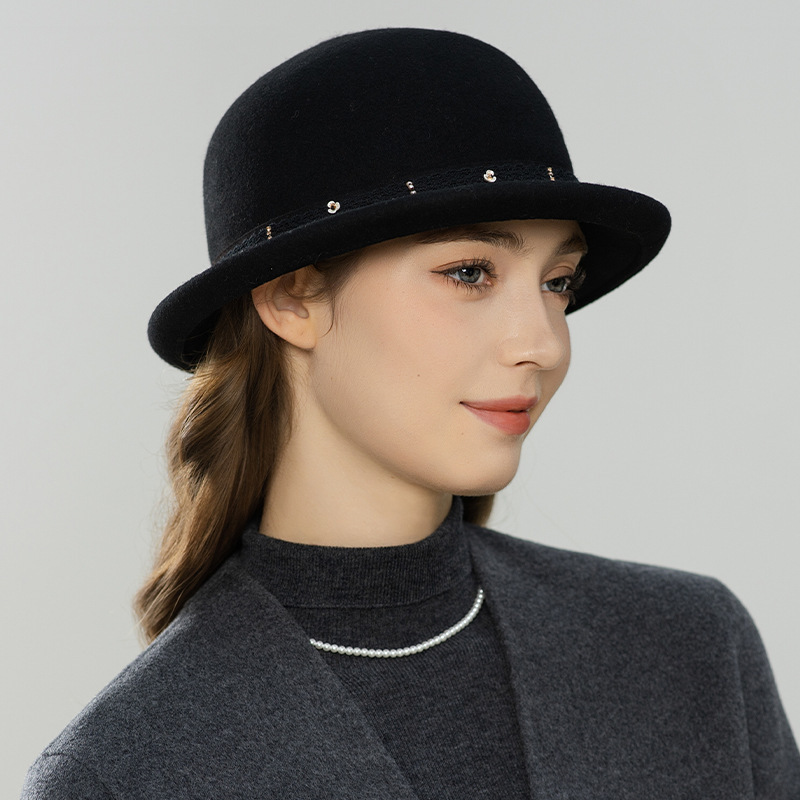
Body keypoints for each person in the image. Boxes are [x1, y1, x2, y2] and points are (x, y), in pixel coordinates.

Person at [22, 27, 800, 800]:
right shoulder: (123, 774)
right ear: (291, 297)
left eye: (558, 281)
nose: (543, 343)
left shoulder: (694, 654)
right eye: (470, 273)